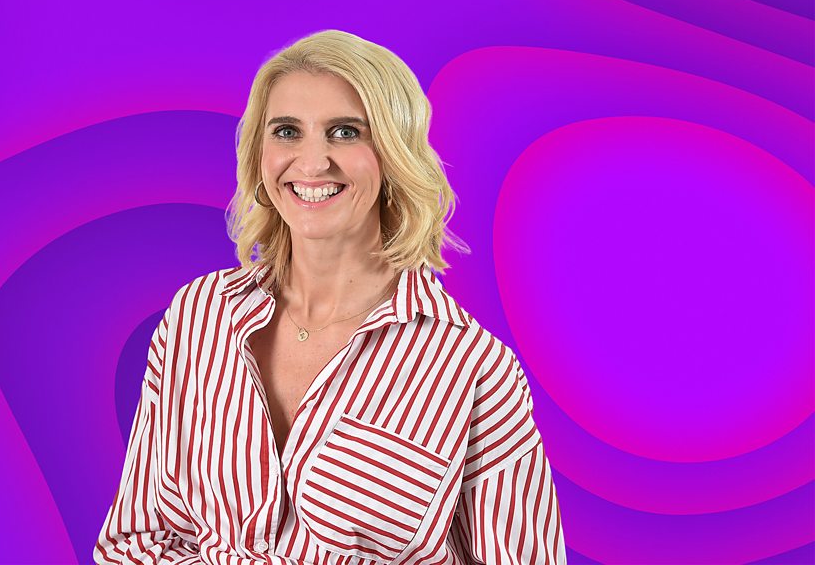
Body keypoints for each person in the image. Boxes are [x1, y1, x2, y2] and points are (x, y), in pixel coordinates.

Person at [94, 29, 566, 564]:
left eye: (345, 132)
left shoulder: (473, 368)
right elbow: (134, 542)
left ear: (392, 154)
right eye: (287, 131)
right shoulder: (198, 318)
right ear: (260, 156)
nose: (313, 162)